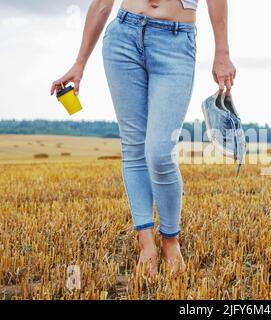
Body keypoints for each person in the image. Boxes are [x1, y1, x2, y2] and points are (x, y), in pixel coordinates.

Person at [50, 0, 236, 276]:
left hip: (176, 39)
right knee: (134, 147)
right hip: (123, 37)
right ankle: (145, 240)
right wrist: (79, 63)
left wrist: (222, 51)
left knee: (160, 152)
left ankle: (170, 240)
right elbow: (102, 3)